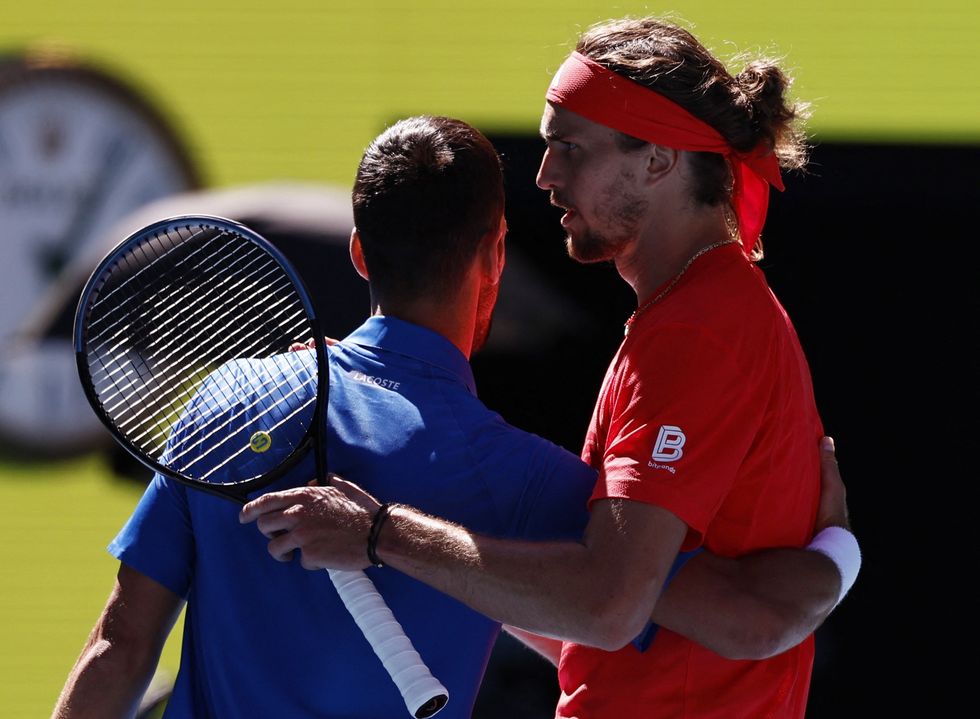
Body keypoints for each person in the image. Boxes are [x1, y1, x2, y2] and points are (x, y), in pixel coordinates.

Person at [55, 114, 848, 719]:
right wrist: (838, 550)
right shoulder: (526, 482)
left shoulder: (228, 402)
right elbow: (751, 621)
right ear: (495, 256)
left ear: (361, 254)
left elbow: (120, 647)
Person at [240, 16, 860, 719]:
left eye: (569, 148)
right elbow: (607, 636)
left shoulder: (698, 330)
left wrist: (382, 532)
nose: (544, 177)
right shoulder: (698, 314)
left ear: (657, 160)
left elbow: (609, 605)